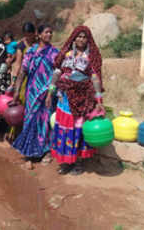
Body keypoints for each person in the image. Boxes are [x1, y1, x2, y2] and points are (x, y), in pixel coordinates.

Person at [46, 25, 105, 175]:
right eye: (79, 36)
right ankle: (66, 161)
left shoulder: (91, 57)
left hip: (82, 99)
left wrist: (98, 100)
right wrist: (50, 93)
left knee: (78, 129)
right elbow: (57, 73)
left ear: (88, 40)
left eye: (84, 37)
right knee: (64, 129)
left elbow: (95, 78)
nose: (81, 39)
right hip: (65, 98)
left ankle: (79, 162)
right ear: (74, 37)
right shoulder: (66, 54)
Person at [11, 24, 59, 170]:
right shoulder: (30, 52)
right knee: (30, 120)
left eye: (51, 32)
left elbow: (57, 75)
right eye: (46, 32)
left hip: (47, 95)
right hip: (32, 93)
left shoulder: (54, 53)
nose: (49, 35)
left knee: (45, 122)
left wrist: (51, 93)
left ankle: (45, 152)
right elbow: (22, 73)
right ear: (38, 34)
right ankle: (29, 154)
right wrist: (16, 93)